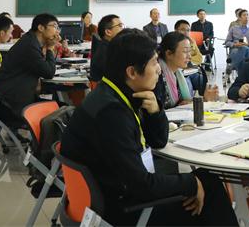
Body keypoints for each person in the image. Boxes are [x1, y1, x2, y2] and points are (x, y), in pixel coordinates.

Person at [60, 29, 238, 226]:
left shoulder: (116, 93)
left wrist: (155, 112)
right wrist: (191, 183)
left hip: (114, 191)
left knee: (206, 178)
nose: (159, 69)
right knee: (209, 189)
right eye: (154, 63)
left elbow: (158, 141)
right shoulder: (112, 114)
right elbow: (141, 186)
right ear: (132, 72)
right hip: (123, 210)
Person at [0, 13, 59, 120]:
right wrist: (50, 48)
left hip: (13, 96)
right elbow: (49, 72)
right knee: (61, 109)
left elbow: (44, 67)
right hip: (10, 104)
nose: (57, 31)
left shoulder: (31, 41)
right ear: (41, 28)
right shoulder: (29, 45)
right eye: (54, 26)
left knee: (60, 106)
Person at [174, 20, 218, 101]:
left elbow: (199, 58)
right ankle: (189, 102)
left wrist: (191, 51)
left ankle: (206, 100)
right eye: (183, 29)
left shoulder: (191, 41)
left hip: (191, 70)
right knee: (188, 83)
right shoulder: (173, 43)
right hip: (180, 72)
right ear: (176, 31)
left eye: (188, 30)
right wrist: (191, 57)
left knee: (202, 80)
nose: (186, 32)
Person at [155, 32, 194, 109]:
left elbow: (182, 102)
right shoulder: (157, 77)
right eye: (185, 51)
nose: (189, 56)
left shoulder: (179, 74)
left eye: (189, 51)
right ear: (169, 54)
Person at [90, 14, 124, 82]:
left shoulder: (108, 47)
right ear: (108, 32)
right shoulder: (108, 53)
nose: (123, 29)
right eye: (120, 26)